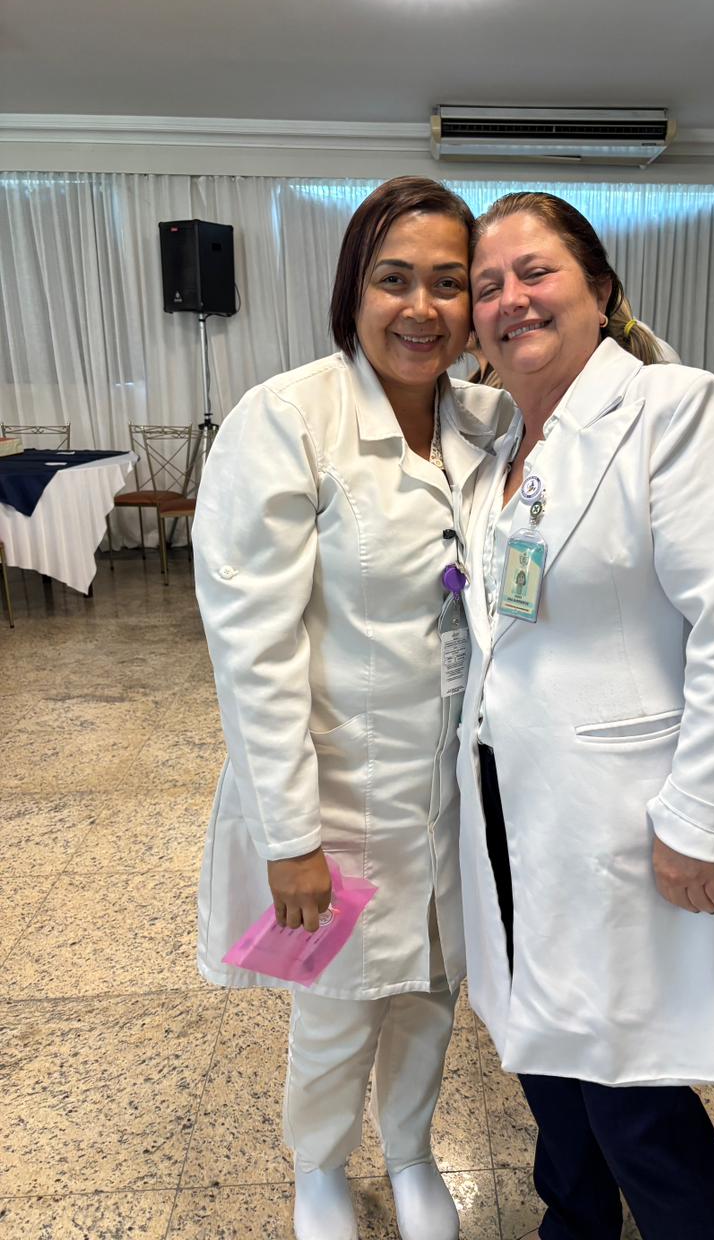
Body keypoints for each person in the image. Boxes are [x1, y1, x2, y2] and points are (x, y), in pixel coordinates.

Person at [454, 192, 714, 1240]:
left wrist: (698, 818)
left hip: (619, 814)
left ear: (600, 290)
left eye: (536, 271)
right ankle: (573, 1224)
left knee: (632, 1091)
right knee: (544, 1053)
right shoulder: (498, 445)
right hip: (503, 800)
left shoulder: (670, 410)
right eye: (488, 285)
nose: (511, 299)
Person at [192, 176, 513, 1240]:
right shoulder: (289, 419)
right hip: (334, 789)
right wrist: (289, 837)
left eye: (449, 283)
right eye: (393, 279)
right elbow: (255, 649)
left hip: (452, 784)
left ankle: (412, 1150)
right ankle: (321, 1167)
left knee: (430, 987)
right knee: (334, 1006)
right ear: (352, 290)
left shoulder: (489, 422)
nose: (421, 308)